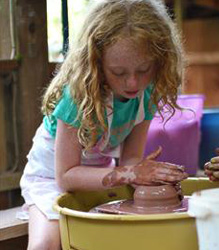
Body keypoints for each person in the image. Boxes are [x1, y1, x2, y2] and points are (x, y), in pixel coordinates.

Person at [19, 0, 188, 249]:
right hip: (51, 177)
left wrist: (147, 175)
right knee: (45, 245)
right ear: (97, 64)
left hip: (100, 173)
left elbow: (130, 158)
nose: (132, 82)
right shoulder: (79, 95)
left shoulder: (148, 93)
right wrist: (129, 174)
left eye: (143, 69)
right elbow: (66, 176)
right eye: (119, 73)